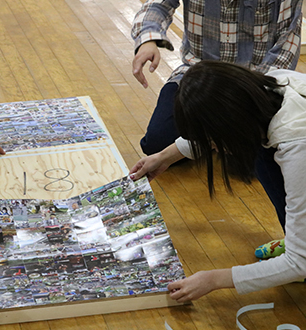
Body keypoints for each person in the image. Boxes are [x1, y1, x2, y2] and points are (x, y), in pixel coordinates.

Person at [129, 60, 306, 302]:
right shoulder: (265, 92)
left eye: (212, 142)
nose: (211, 148)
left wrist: (214, 280)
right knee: (261, 151)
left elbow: (299, 262)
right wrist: (163, 157)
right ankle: (297, 234)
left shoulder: (297, 148)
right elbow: (220, 131)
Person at [131, 0, 302, 156]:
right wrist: (148, 40)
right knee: (156, 143)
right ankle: (217, 139)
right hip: (199, 78)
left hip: (255, 85)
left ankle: (214, 139)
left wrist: (247, 98)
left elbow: (286, 46)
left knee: (273, 144)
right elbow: (157, 5)